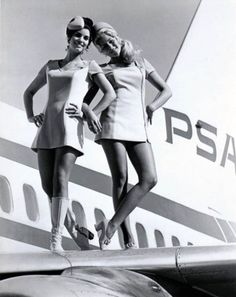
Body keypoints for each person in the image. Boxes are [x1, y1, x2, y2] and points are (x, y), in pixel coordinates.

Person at [23, 16, 116, 252]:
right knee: (47, 184)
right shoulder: (51, 65)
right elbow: (29, 92)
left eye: (86, 38)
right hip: (47, 127)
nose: (82, 41)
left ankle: (56, 240)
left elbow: (110, 94)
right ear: (69, 37)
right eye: (78, 36)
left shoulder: (89, 67)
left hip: (70, 127)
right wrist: (31, 116)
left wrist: (91, 113)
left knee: (60, 179)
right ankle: (75, 229)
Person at [90, 22, 172, 250]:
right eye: (104, 46)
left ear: (117, 36)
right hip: (112, 123)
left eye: (111, 41)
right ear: (101, 51)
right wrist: (90, 115)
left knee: (149, 178)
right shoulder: (102, 69)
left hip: (137, 125)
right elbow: (86, 100)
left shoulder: (140, 62)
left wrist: (152, 107)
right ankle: (128, 241)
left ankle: (111, 223)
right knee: (121, 180)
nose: (110, 46)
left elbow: (167, 90)